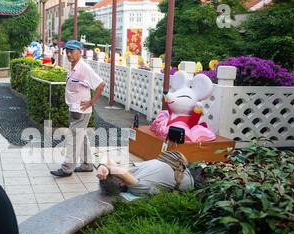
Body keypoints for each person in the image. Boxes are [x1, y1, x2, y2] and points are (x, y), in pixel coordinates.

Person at [50, 40, 106, 177]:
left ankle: (67, 168)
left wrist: (92, 102)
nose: (69, 54)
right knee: (82, 136)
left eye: (72, 51)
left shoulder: (84, 68)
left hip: (81, 111)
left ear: (80, 52)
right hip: (74, 109)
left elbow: (101, 84)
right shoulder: (74, 67)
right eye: (67, 51)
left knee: (74, 139)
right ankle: (87, 164)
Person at [96, 151, 194, 196]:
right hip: (187, 178)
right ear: (121, 182)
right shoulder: (137, 188)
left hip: (174, 164)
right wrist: (106, 167)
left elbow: (106, 158)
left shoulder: (131, 173)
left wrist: (102, 166)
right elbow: (122, 173)